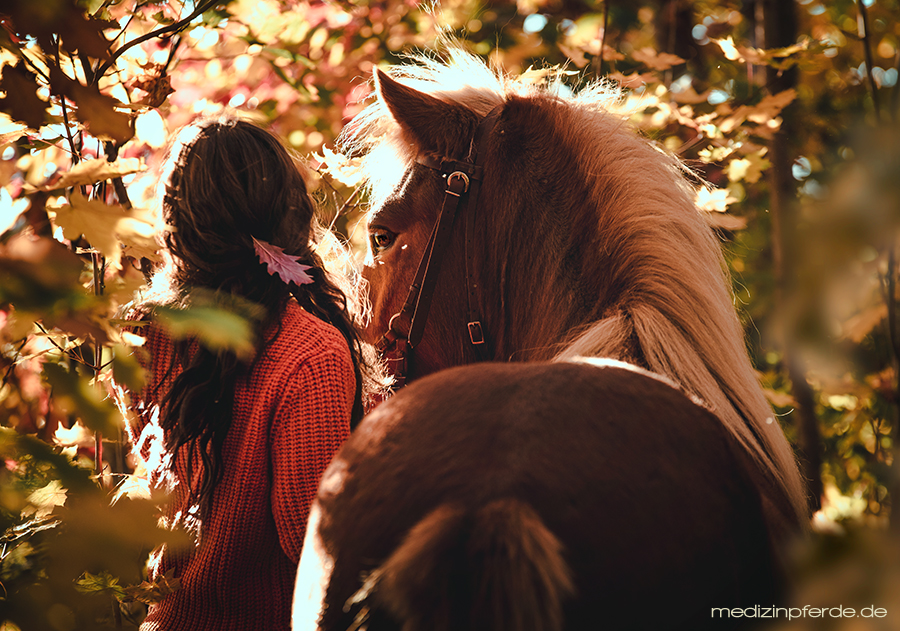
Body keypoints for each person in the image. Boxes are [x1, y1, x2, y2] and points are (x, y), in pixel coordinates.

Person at [114, 117, 375, 631]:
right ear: (289, 211)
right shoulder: (310, 353)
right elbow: (315, 547)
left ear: (177, 226)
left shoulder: (140, 334)